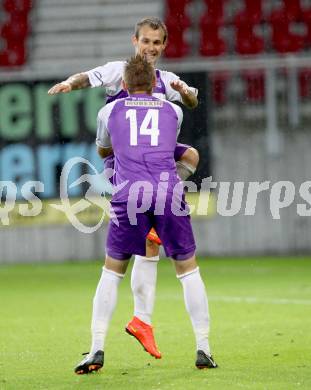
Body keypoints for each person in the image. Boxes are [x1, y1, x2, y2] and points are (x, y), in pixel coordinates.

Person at [48, 17, 199, 359]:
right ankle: (140, 321)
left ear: (164, 46)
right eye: (146, 41)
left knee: (190, 155)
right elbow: (89, 77)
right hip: (124, 162)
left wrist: (187, 95)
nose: (151, 48)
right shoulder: (120, 71)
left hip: (155, 166)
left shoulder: (168, 80)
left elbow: (190, 102)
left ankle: (141, 322)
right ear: (135, 41)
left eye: (157, 43)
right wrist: (70, 84)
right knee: (144, 249)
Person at [74, 55, 217, 374]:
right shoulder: (173, 110)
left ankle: (96, 348)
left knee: (111, 272)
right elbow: (168, 146)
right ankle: (203, 348)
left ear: (123, 84)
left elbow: (103, 150)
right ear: (156, 83)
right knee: (188, 271)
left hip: (130, 195)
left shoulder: (109, 110)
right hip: (168, 192)